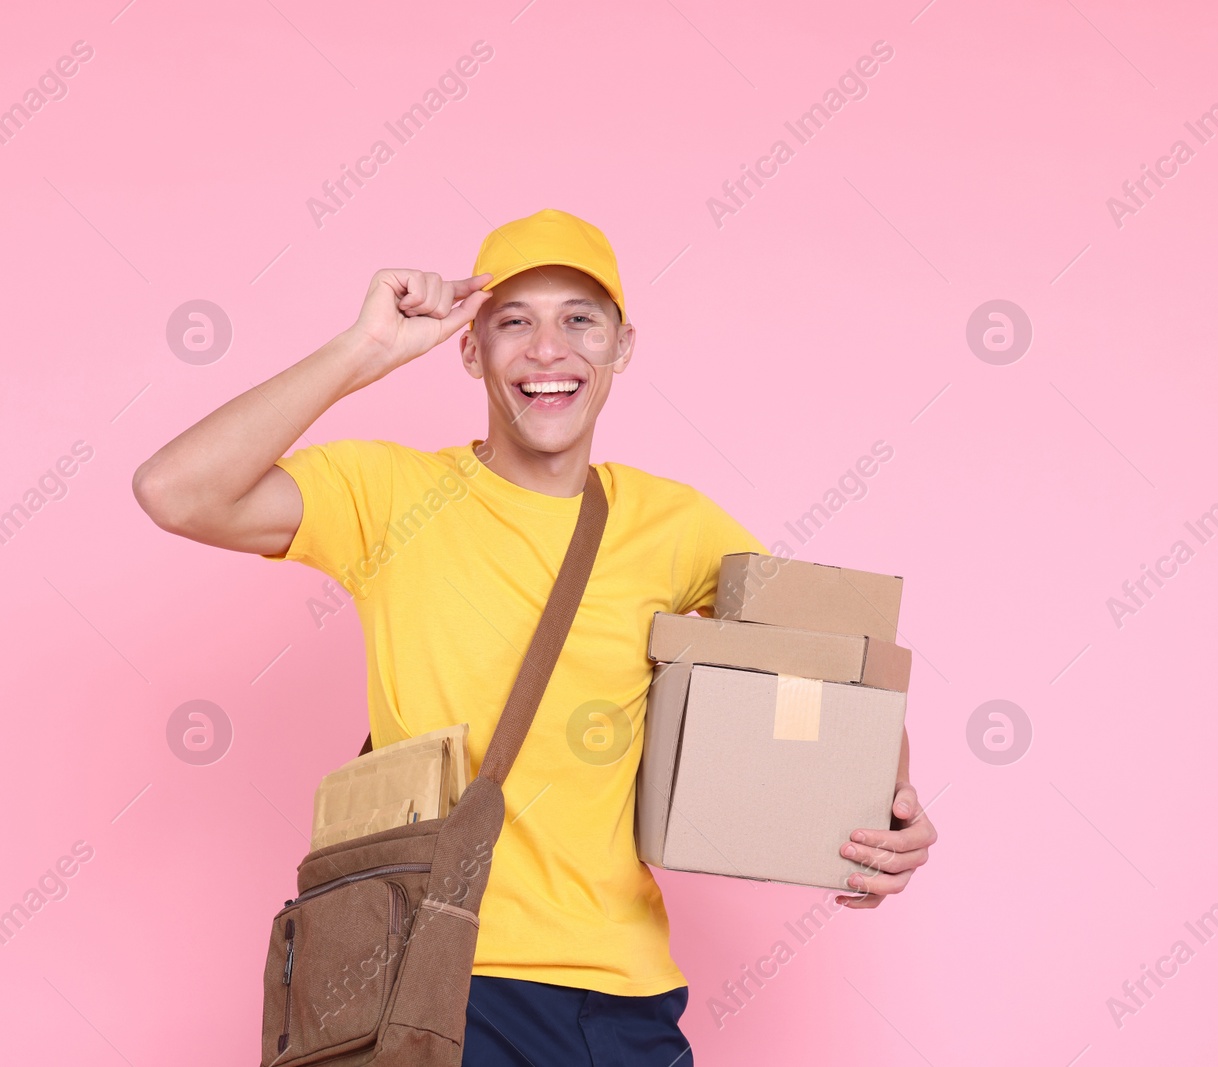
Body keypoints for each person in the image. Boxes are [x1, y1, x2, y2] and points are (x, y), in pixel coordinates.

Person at [131, 208, 936, 1066]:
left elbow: (833, 678)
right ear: (470, 350)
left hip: (622, 996)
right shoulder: (389, 493)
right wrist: (362, 352)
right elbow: (175, 490)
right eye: (513, 322)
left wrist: (888, 806)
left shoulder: (675, 524)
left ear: (623, 346)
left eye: (579, 321)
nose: (548, 349)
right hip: (433, 978)